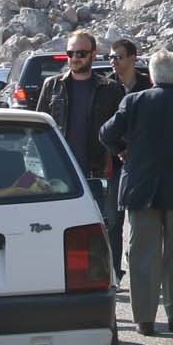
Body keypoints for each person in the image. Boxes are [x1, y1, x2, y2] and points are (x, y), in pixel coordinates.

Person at [99, 49, 173, 335]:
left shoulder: (133, 101)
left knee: (142, 255)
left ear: (151, 74)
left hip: (140, 187)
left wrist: (122, 151)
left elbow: (106, 134)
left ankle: (144, 318)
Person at [39, 31, 125, 274]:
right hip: (60, 174)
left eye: (81, 53)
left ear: (93, 55)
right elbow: (40, 132)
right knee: (59, 227)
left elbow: (121, 130)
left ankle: (108, 275)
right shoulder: (52, 85)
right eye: (70, 53)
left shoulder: (110, 89)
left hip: (99, 170)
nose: (75, 58)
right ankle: (61, 274)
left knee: (106, 226)